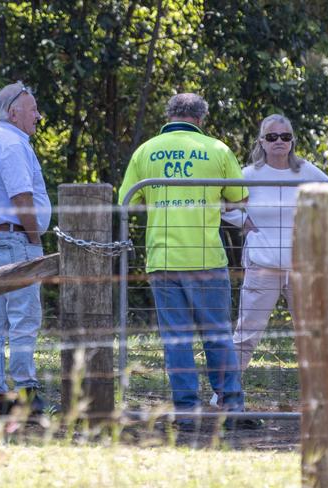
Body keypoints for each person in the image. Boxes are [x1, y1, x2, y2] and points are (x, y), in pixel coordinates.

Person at [118, 93, 260, 430]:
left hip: (163, 258)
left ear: (169, 115)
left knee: (176, 339)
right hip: (206, 257)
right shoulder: (218, 150)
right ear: (201, 117)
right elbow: (239, 198)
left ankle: (187, 413)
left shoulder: (145, 151)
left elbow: (126, 200)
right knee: (218, 335)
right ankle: (232, 407)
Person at [222, 113, 328, 374]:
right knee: (246, 334)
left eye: (285, 137)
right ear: (262, 142)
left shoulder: (306, 170)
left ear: (292, 141)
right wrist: (242, 221)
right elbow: (223, 204)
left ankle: (319, 396)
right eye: (272, 137)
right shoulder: (248, 175)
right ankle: (224, 397)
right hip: (261, 265)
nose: (279, 141)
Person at [0, 81, 51, 415]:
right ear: (13, 112)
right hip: (14, 238)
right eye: (33, 110)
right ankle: (27, 394)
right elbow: (21, 197)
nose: (38, 116)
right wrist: (34, 239)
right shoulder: (13, 144)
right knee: (23, 317)